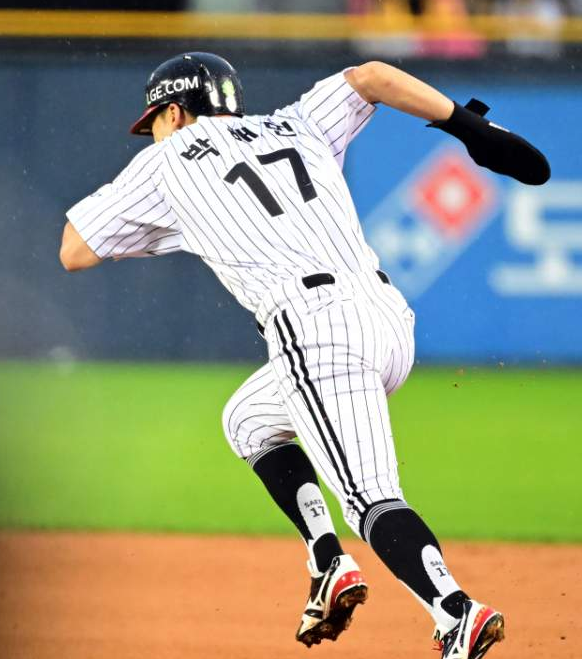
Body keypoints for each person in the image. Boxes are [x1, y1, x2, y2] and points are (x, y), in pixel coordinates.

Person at [60, 52, 549, 658]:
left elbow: (74, 250)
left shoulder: (164, 161)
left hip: (316, 331)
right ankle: (328, 561)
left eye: (154, 120)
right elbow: (372, 77)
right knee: (248, 419)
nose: (153, 132)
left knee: (370, 500)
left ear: (176, 111)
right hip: (387, 321)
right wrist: (470, 128)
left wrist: (176, 229)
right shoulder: (296, 122)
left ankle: (456, 613)